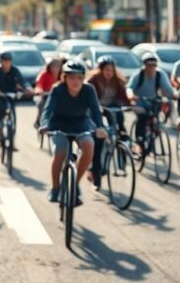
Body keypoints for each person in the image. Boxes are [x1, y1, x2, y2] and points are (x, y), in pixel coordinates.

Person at [39, 60, 108, 206]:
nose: (75, 81)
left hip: (80, 121)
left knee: (89, 145)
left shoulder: (89, 90)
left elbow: (96, 111)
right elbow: (48, 109)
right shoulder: (57, 89)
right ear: (64, 77)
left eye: (79, 78)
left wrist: (100, 127)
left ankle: (75, 183)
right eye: (71, 77)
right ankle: (56, 187)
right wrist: (44, 125)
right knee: (60, 152)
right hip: (59, 123)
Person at [88, 55, 130, 189]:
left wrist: (129, 104)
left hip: (110, 108)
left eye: (111, 70)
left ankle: (122, 150)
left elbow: (123, 97)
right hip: (95, 109)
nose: (109, 73)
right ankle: (96, 175)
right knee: (98, 139)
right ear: (100, 70)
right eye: (106, 70)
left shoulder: (117, 81)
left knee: (120, 121)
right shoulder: (93, 81)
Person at [127, 52, 176, 150]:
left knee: (156, 123)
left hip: (154, 102)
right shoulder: (138, 75)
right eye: (149, 65)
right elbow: (130, 87)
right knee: (142, 118)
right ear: (144, 65)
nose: (151, 68)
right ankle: (139, 142)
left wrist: (174, 95)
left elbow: (168, 89)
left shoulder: (160, 74)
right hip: (140, 102)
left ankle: (152, 138)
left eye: (154, 65)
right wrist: (131, 96)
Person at [0, 51, 27, 150]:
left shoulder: (15, 71)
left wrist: (28, 88)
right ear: (1, 62)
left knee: (12, 118)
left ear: (11, 62)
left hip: (10, 96)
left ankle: (12, 142)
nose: (6, 63)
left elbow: (23, 81)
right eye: (4, 61)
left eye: (8, 61)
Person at [33, 57, 64, 132]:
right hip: (46, 96)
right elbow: (39, 85)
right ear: (49, 66)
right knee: (41, 104)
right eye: (53, 66)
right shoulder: (44, 74)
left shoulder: (63, 76)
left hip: (59, 98)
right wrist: (40, 91)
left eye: (57, 66)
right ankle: (40, 121)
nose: (55, 68)